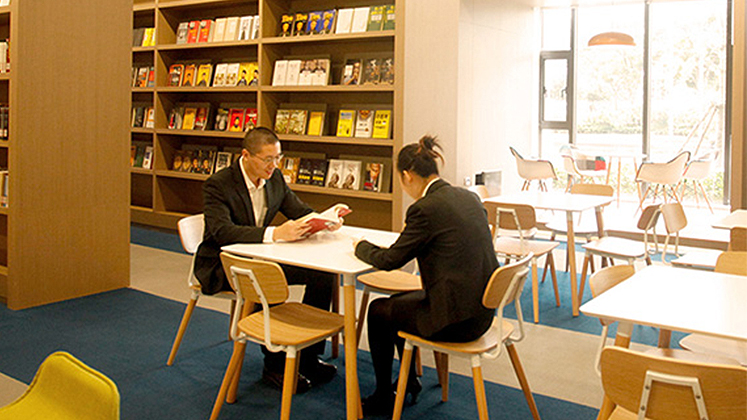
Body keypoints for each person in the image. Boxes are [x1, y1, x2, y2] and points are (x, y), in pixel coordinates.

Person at [353, 136, 499, 416]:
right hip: (482, 311)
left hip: (456, 321)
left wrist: (360, 246)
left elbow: (390, 260)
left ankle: (384, 395)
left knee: (378, 311)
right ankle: (408, 381)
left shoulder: (424, 209)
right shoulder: (469, 197)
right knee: (397, 305)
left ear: (407, 175)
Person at [194, 127, 341, 394]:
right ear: (246, 155)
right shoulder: (219, 184)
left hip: (261, 256)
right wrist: (275, 233)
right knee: (269, 278)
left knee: (323, 273)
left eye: (278, 158)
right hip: (223, 263)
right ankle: (275, 365)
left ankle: (308, 356)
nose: (274, 165)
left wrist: (325, 220)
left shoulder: (275, 178)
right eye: (268, 159)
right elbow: (222, 232)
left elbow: (298, 210)